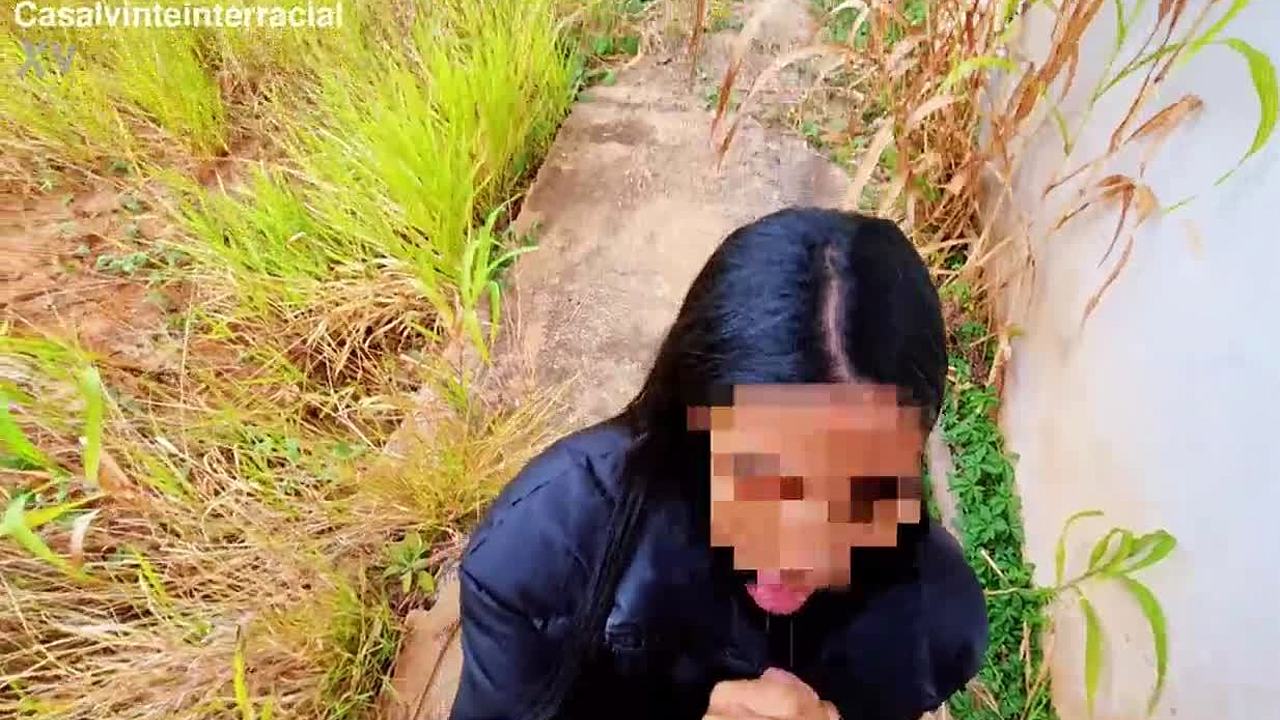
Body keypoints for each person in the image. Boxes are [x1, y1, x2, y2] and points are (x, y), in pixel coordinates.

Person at [448, 208, 988, 720]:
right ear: (691, 422)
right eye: (765, 478)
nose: (801, 555)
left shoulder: (931, 621)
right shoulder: (543, 557)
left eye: (862, 493)